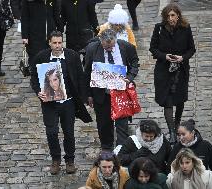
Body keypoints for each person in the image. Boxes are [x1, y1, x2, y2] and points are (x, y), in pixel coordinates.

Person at [30, 31, 91, 175]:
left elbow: (80, 77)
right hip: (49, 103)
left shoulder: (72, 56)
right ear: (49, 43)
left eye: (59, 42)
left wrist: (84, 97)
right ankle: (55, 160)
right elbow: (34, 77)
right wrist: (39, 91)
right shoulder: (41, 57)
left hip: (68, 102)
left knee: (69, 132)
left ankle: (70, 160)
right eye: (54, 43)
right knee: (51, 132)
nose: (58, 46)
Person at [84, 29, 139, 150]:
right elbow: (87, 72)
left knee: (122, 123)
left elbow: (135, 63)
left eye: (111, 46)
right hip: (101, 93)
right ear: (101, 41)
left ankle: (121, 149)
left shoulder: (126, 46)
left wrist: (129, 78)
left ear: (115, 40)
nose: (109, 49)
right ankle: (107, 148)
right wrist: (88, 95)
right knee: (104, 123)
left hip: (121, 93)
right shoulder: (92, 49)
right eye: (106, 47)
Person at [149, 3, 196, 144]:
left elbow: (191, 49)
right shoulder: (159, 28)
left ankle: (177, 125)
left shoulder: (185, 28)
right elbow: (153, 48)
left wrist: (183, 58)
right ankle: (172, 131)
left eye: (173, 15)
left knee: (179, 100)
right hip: (164, 71)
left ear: (178, 15)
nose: (170, 18)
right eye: (168, 16)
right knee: (167, 101)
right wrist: (165, 56)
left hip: (180, 71)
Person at [21, 0, 61, 71]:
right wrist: (25, 36)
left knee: (51, 62)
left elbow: (56, 14)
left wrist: (59, 30)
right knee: (36, 61)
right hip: (34, 37)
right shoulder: (28, 1)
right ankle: (34, 80)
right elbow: (24, 17)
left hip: (50, 36)